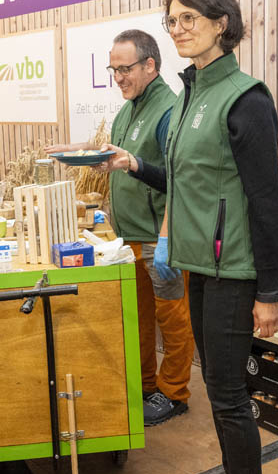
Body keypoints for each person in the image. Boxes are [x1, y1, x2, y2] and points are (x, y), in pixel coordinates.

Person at [106, 0, 278, 474]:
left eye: (189, 18)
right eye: (172, 19)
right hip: (199, 267)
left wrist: (268, 292)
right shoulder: (189, 95)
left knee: (229, 397)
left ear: (221, 24)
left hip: (234, 270)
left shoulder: (245, 99)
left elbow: (266, 202)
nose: (178, 28)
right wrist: (138, 166)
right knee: (219, 389)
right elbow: (183, 181)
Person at [47, 29, 195, 426]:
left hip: (159, 238)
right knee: (140, 316)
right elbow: (121, 158)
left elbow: (177, 178)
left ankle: (174, 392)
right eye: (113, 70)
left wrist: (133, 166)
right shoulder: (129, 109)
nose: (118, 78)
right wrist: (81, 153)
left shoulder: (169, 110)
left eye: (124, 69)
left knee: (173, 319)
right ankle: (147, 386)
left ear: (150, 65)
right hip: (128, 239)